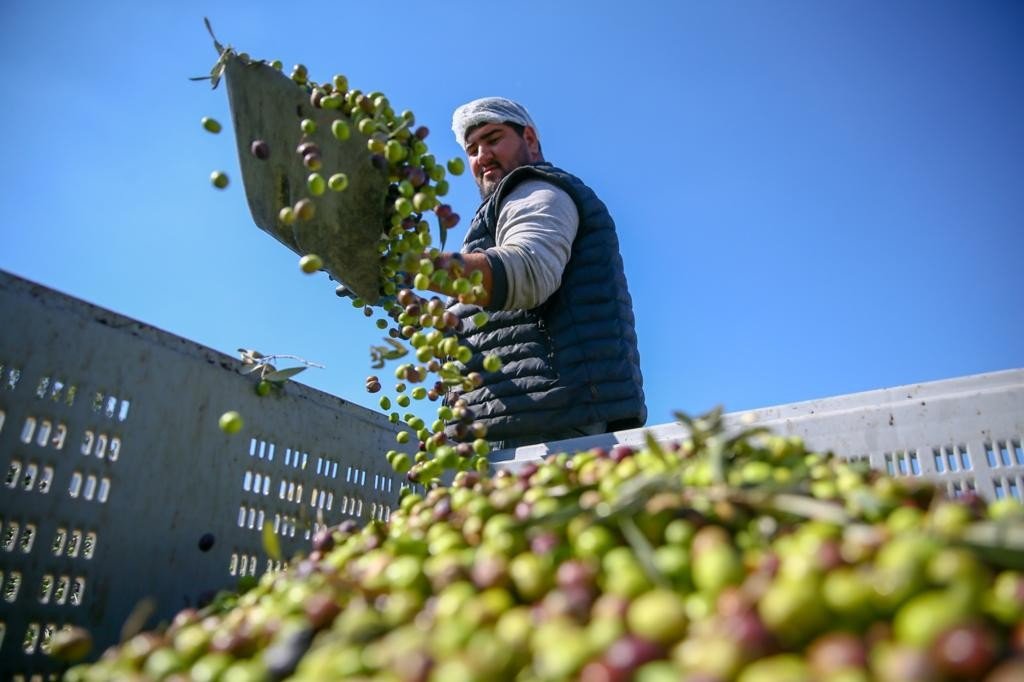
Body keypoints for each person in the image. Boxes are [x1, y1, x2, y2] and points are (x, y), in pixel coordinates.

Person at [431, 96, 645, 449]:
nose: (481, 156)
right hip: (517, 420)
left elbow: (527, 271)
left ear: (529, 140)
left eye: (493, 139)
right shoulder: (495, 216)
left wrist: (411, 266)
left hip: (555, 423)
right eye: (472, 149)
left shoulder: (537, 189)